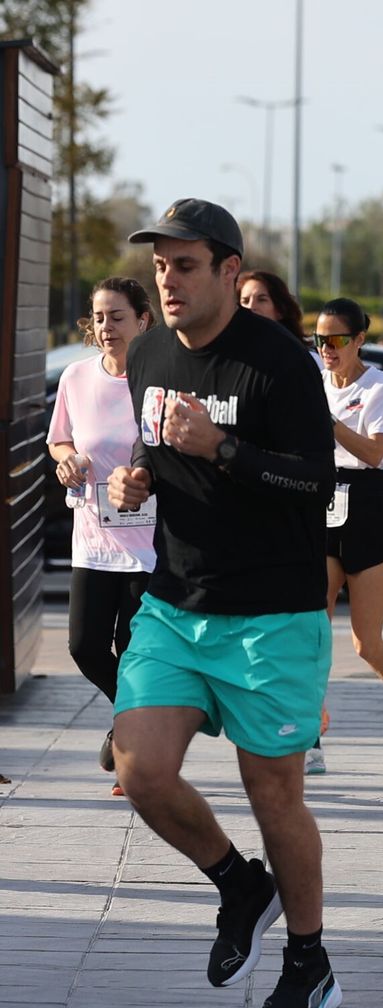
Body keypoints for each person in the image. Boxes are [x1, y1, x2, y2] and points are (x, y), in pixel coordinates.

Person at [106, 199, 340, 1008]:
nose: (167, 280)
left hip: (272, 615)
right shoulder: (148, 354)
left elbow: (318, 484)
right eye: (160, 265)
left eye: (185, 264)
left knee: (273, 794)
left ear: (230, 271)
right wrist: (134, 475)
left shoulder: (280, 365)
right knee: (139, 768)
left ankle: (309, 960)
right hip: (175, 603)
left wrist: (225, 449)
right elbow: (149, 439)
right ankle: (240, 885)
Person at [50, 277, 158, 796]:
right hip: (92, 538)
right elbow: (60, 440)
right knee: (85, 646)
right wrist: (66, 461)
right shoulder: (75, 377)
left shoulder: (159, 381)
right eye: (99, 317)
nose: (107, 327)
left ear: (143, 321)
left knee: (132, 650)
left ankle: (133, 751)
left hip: (148, 543)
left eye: (118, 317)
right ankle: (132, 724)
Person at [318, 296, 383, 766]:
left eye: (337, 340)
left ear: (359, 340)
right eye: (320, 340)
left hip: (369, 505)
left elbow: (377, 453)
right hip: (321, 503)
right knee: (310, 631)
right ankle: (307, 735)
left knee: (365, 642)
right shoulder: (313, 382)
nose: (328, 349)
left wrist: (330, 424)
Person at [237, 270, 308, 348]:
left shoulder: (299, 355)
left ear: (280, 310)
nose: (251, 307)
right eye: (245, 301)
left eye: (261, 300)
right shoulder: (227, 352)